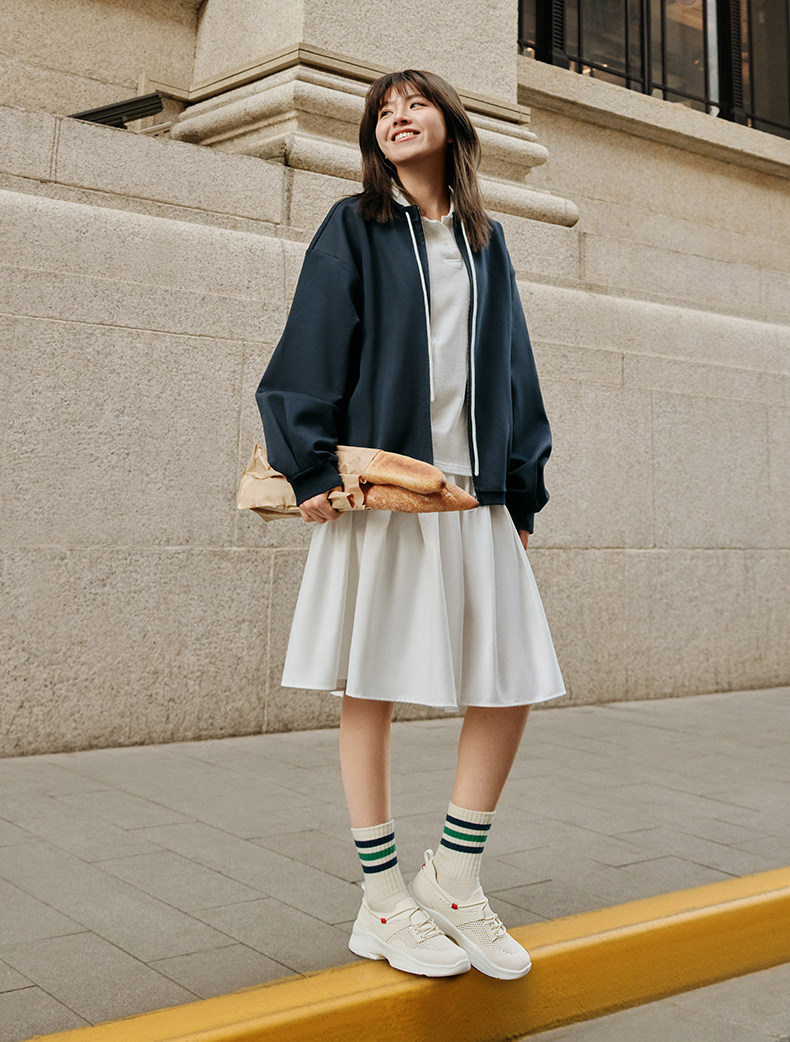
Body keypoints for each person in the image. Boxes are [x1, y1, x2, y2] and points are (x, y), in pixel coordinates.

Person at [256, 68, 565, 980]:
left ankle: (454, 877)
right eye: (383, 111)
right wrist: (309, 464)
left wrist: (521, 489)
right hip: (389, 489)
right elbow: (312, 342)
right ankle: (383, 898)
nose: (397, 117)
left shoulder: (485, 240)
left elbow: (514, 368)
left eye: (414, 103)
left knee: (511, 678)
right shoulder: (354, 225)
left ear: (450, 124)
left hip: (474, 494)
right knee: (373, 685)